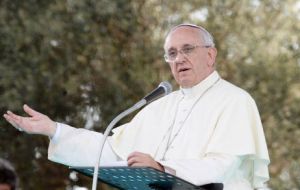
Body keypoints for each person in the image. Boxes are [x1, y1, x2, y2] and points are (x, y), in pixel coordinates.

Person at [3, 24, 270, 189]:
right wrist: (55, 130)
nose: (179, 59)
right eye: (172, 53)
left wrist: (163, 169)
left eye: (187, 49)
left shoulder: (235, 100)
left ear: (210, 55)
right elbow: (113, 151)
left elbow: (223, 166)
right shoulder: (160, 107)